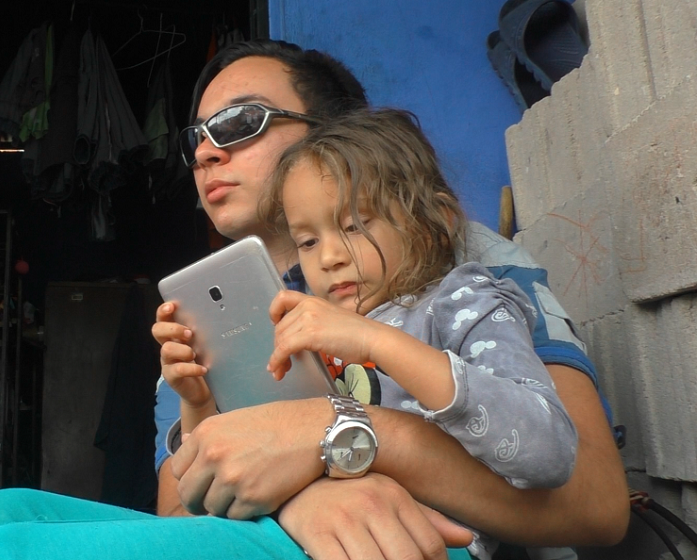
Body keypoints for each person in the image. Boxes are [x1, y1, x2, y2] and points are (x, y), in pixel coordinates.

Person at [152, 38, 627, 558]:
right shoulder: (208, 319)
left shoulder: (466, 273)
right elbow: (185, 518)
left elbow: (594, 505)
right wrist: (298, 499)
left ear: (332, 131)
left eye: (241, 122)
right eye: (194, 137)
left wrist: (342, 437)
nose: (204, 152)